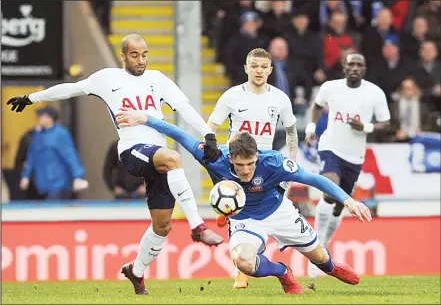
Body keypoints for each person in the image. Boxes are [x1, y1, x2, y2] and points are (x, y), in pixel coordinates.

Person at [6, 34, 224, 294]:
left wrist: (208, 135)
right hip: (132, 150)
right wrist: (31, 98)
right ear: (123, 56)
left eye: (144, 54)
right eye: (135, 55)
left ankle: (136, 272)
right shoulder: (107, 79)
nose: (141, 60)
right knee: (174, 157)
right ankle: (198, 226)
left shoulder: (157, 80)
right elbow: (70, 88)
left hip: (158, 157)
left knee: (162, 226)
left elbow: (185, 107)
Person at [115, 109, 372, 295]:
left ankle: (332, 266)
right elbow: (181, 135)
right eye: (240, 165)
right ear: (230, 160)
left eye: (250, 164)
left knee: (320, 260)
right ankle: (282, 273)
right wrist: (146, 119)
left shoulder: (273, 162)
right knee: (244, 262)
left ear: (257, 156)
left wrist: (349, 201)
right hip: (243, 219)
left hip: (278, 212)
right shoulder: (215, 158)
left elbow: (314, 179)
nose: (246, 170)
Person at [207, 47, 299, 288]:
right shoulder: (231, 96)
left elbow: (291, 132)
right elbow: (212, 125)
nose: (259, 71)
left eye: (263, 67)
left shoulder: (279, 98)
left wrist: (292, 162)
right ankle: (241, 270)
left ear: (270, 69)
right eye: (254, 66)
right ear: (246, 69)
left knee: (261, 212)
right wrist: (211, 147)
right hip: (236, 164)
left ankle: (246, 265)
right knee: (235, 210)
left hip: (266, 166)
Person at [304, 53, 391, 278]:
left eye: (359, 64)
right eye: (350, 64)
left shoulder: (374, 92)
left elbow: (386, 122)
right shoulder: (330, 87)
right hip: (330, 147)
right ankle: (317, 250)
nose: (354, 67)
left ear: (364, 68)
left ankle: (322, 244)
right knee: (330, 191)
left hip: (355, 156)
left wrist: (367, 127)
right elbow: (317, 105)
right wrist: (311, 129)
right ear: (343, 66)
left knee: (339, 206)